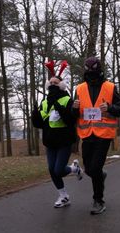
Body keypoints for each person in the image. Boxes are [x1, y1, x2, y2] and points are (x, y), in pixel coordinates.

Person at [72, 56, 120, 215]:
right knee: (89, 169)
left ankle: (98, 200)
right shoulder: (79, 89)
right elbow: (74, 114)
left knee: (95, 167)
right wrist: (74, 108)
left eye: (94, 71)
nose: (91, 74)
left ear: (99, 70)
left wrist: (109, 107)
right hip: (87, 134)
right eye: (89, 71)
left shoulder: (110, 87)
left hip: (104, 135)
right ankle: (100, 175)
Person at [32, 60, 83, 209]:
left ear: (61, 85)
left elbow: (70, 120)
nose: (53, 85)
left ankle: (74, 169)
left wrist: (59, 107)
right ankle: (64, 196)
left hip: (64, 141)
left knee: (59, 170)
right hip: (50, 141)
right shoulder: (45, 101)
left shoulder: (68, 100)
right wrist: (35, 114)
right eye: (51, 83)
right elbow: (40, 123)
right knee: (51, 170)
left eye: (56, 83)